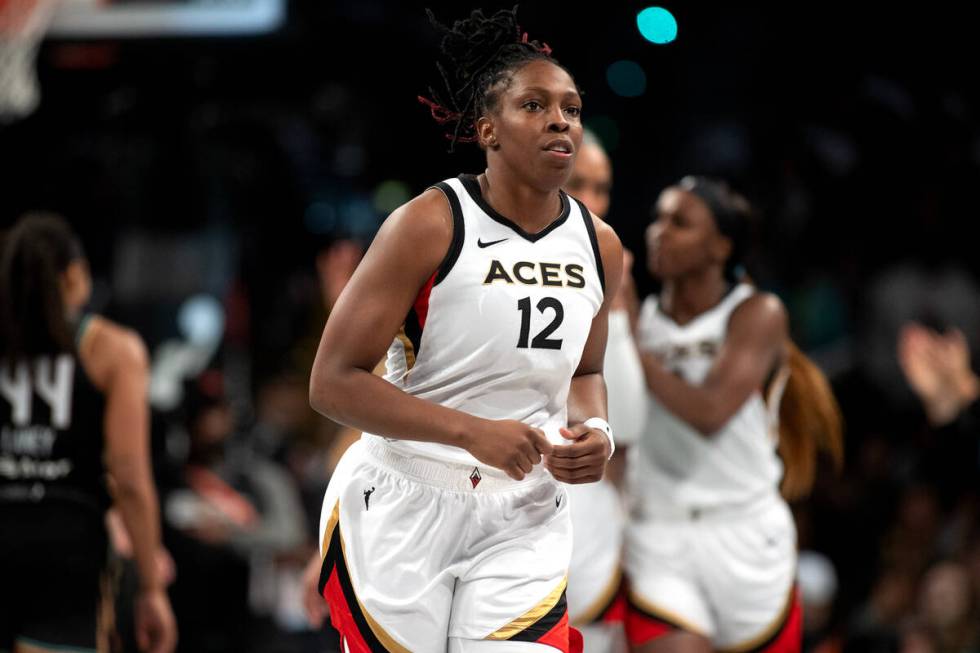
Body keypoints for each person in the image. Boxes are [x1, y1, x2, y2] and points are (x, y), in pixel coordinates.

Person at [307, 7, 623, 653]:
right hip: (404, 497)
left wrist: (596, 430)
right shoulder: (429, 221)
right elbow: (332, 382)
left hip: (523, 509)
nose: (560, 119)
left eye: (571, 107)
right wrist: (470, 431)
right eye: (534, 105)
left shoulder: (602, 246)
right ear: (488, 130)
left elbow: (586, 372)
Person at [624, 177, 843, 653]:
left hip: (745, 533)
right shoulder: (639, 318)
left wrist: (630, 347)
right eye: (658, 218)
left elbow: (710, 412)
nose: (659, 232)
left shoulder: (758, 313)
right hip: (660, 533)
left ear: (720, 247)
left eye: (679, 223)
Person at [0, 213, 176, 653]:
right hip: (67, 545)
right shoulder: (111, 350)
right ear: (74, 275)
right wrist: (150, 589)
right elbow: (130, 478)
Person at [562, 129, 646, 653]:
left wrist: (614, 303)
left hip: (588, 513)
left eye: (603, 188)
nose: (593, 203)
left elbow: (630, 426)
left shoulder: (618, 272)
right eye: (579, 185)